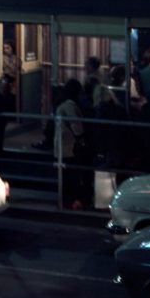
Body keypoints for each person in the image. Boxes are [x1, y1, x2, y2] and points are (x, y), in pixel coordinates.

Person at [57, 78, 90, 209]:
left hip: (63, 145)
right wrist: (81, 137)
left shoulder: (61, 104)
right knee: (71, 176)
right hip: (69, 146)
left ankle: (66, 201)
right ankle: (70, 201)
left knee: (66, 176)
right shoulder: (70, 105)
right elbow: (75, 124)